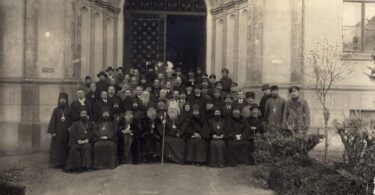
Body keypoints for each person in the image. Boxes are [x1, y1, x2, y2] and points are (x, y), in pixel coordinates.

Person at [48, 93, 72, 168]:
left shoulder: (70, 110)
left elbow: (72, 120)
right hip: (58, 132)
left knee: (65, 146)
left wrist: (71, 128)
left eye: (64, 100)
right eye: (61, 99)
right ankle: (57, 163)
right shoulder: (56, 110)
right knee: (57, 147)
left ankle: (65, 162)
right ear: (59, 100)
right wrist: (53, 131)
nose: (62, 101)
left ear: (66, 101)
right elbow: (53, 121)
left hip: (66, 132)